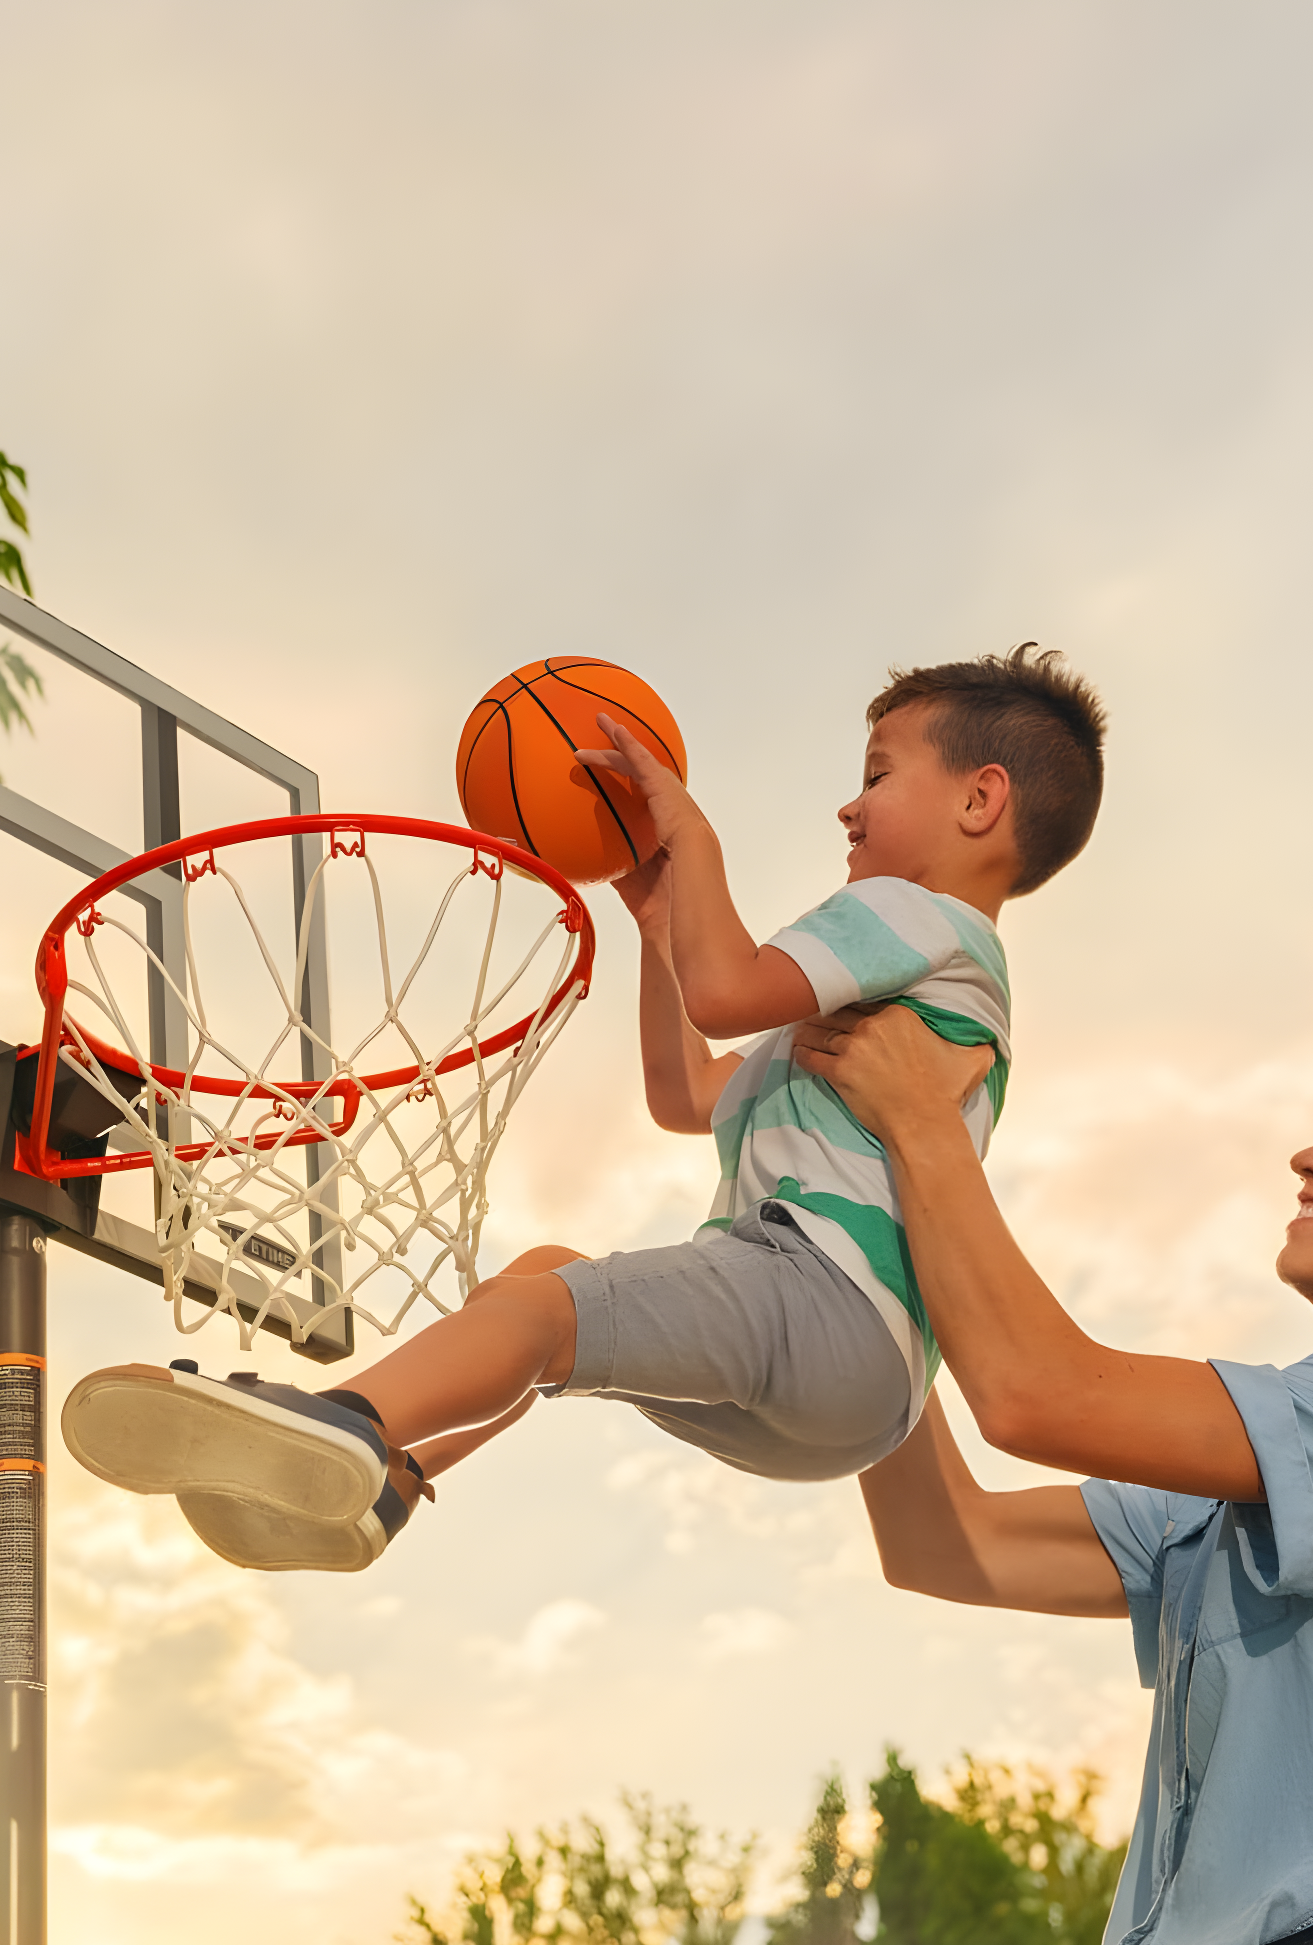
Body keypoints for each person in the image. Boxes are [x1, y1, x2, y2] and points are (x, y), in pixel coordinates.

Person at [59, 645, 1107, 1573]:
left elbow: (726, 990)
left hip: (820, 1298)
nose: (850, 806)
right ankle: (382, 1484)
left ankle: (348, 1420)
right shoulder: (901, 1002)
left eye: (877, 774)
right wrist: (659, 926)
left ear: (980, 801)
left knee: (542, 1315)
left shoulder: (912, 913)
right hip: (852, 1397)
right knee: (543, 1275)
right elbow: (684, 1095)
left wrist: (692, 840)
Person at [792, 1002, 1313, 1945]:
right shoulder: (1256, 1486)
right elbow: (946, 1541)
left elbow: (1035, 1395)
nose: (1310, 1157)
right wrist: (867, 1230)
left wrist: (917, 1121)